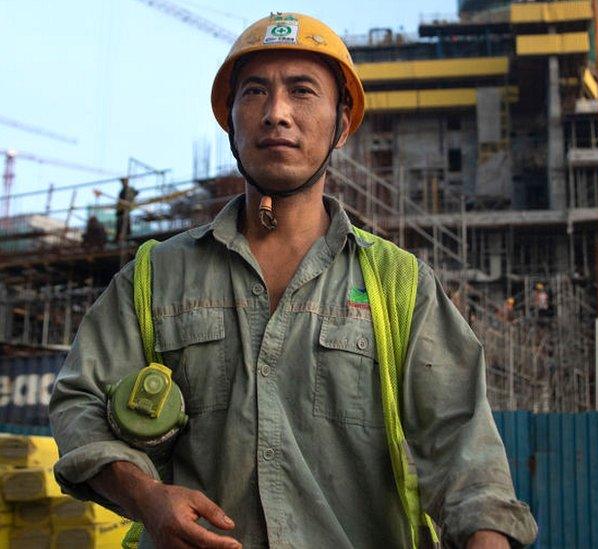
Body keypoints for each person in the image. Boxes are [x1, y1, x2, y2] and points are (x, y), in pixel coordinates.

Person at [49, 12, 536, 549]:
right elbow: (80, 401)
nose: (276, 113)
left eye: (302, 92)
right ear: (230, 121)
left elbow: (465, 450)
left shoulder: (398, 285)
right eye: (255, 92)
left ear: (342, 124)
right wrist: (144, 494)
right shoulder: (154, 277)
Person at [115, 178, 138, 242]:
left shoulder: (128, 190)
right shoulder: (123, 191)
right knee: (122, 227)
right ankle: (123, 239)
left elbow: (135, 193)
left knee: (125, 226)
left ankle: (126, 238)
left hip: (124, 212)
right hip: (121, 212)